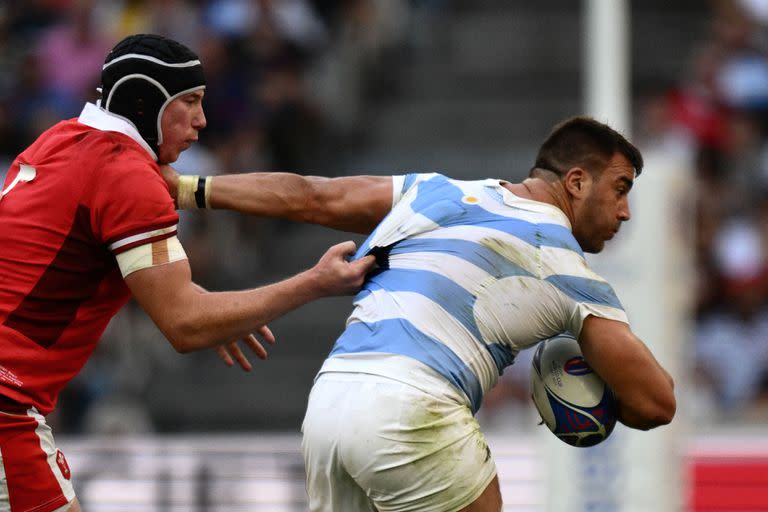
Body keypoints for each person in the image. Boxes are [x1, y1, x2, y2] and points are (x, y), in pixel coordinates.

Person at [165, 116, 677, 511]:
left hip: (329, 403)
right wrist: (592, 397)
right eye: (621, 188)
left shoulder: (435, 190)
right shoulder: (567, 267)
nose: (626, 211)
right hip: (411, 408)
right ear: (577, 181)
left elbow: (311, 195)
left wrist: (186, 189)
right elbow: (656, 403)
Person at [0, 34, 375, 512]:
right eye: (190, 102)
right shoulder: (127, 175)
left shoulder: (59, 139)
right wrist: (314, 283)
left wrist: (200, 301)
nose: (202, 120)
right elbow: (185, 325)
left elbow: (58, 261)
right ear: (145, 102)